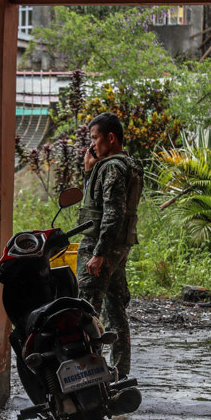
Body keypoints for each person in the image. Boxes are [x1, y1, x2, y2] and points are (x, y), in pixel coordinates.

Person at [76, 112, 144, 378]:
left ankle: (90, 380)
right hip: (117, 247)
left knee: (87, 312)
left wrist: (98, 254)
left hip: (102, 248)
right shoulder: (126, 164)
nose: (92, 145)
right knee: (116, 313)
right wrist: (89, 171)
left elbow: (113, 212)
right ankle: (119, 376)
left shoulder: (113, 167)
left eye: (95, 138)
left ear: (111, 138)